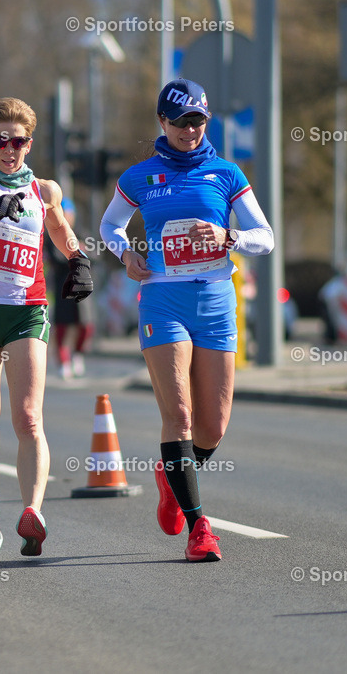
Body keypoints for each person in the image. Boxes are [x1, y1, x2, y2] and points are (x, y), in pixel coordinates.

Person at [99, 78, 274, 562]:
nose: (189, 131)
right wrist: (125, 252)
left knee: (212, 428)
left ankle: (171, 472)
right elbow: (109, 225)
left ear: (207, 120)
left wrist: (228, 236)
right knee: (178, 415)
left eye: (197, 122)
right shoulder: (140, 177)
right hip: (163, 300)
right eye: (180, 123)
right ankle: (200, 528)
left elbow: (265, 237)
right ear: (162, 122)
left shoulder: (227, 173)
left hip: (216, 301)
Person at [0, 97, 93, 556]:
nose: (10, 149)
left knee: (28, 416)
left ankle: (32, 513)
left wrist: (78, 259)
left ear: (30, 143)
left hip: (26, 310)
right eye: (1, 140)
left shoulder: (45, 191)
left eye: (19, 141)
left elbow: (60, 229)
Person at [45, 198, 95, 379]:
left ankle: (78, 355)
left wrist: (78, 252)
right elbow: (58, 259)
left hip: (82, 286)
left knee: (86, 325)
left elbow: (95, 255)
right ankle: (63, 362)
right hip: (63, 287)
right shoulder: (51, 237)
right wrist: (77, 252)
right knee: (62, 326)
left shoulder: (82, 233)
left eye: (70, 214)